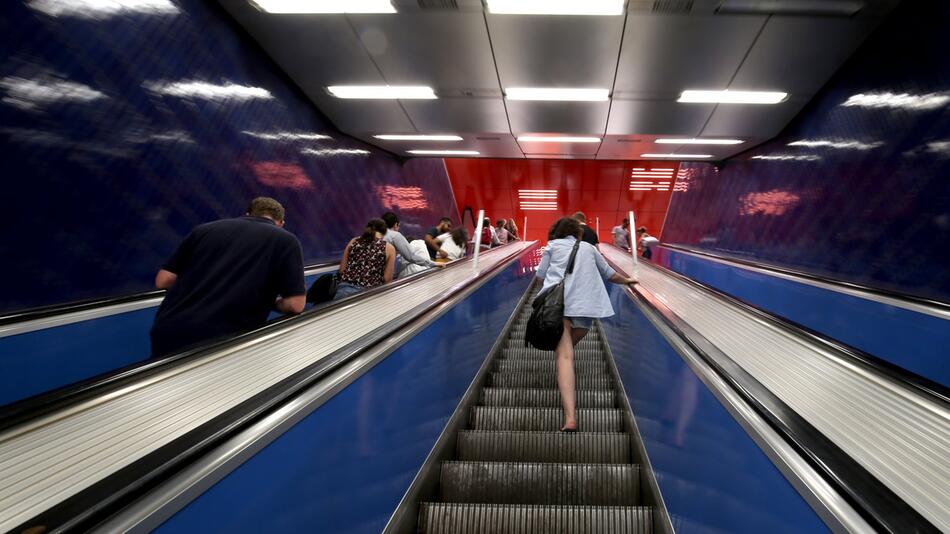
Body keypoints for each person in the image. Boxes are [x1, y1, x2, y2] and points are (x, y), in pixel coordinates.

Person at [150, 197, 306, 357]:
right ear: (281, 223)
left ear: (247, 214)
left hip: (169, 327)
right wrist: (269, 301)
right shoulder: (285, 240)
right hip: (224, 337)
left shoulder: (203, 230)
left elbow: (163, 280)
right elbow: (295, 305)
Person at [536, 217, 637, 432]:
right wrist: (629, 280)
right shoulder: (589, 249)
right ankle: (566, 384)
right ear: (578, 233)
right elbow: (610, 274)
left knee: (564, 355)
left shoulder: (552, 246)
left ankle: (571, 418)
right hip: (585, 307)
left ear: (557, 232)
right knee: (565, 351)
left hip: (559, 306)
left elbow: (540, 275)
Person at [334, 219, 396, 300]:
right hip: (369, 296)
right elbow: (387, 279)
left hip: (344, 291)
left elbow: (342, 270)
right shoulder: (389, 248)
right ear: (383, 234)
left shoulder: (353, 241)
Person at [380, 211, 440, 277]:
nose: (398, 229)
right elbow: (411, 257)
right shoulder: (395, 235)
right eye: (398, 226)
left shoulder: (377, 235)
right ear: (395, 225)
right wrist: (433, 263)